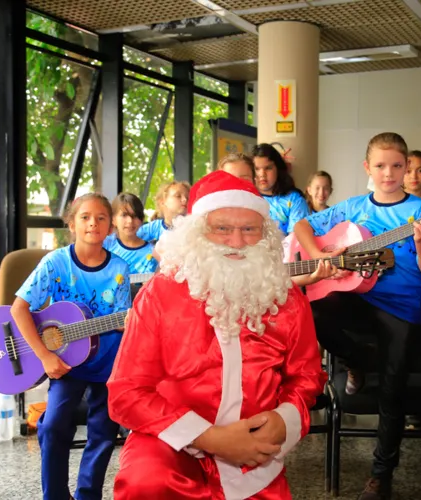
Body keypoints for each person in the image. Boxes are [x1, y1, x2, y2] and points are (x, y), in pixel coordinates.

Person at [107, 171, 327, 500]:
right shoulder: (160, 294)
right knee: (144, 483)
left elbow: (306, 376)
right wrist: (209, 437)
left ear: (265, 235)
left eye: (249, 229)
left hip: (255, 454)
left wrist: (284, 420)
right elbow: (126, 392)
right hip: (168, 444)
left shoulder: (288, 299)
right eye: (222, 228)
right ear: (197, 233)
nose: (236, 242)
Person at [293, 132, 421, 500]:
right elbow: (302, 226)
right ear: (367, 168)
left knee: (393, 391)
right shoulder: (354, 207)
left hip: (404, 307)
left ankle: (381, 475)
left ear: (407, 168)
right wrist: (321, 255)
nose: (388, 173)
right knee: (313, 308)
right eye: (380, 165)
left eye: (396, 165)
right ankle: (355, 360)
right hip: (358, 298)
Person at [11, 193, 132, 500]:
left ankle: (88, 496)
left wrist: (131, 321)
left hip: (107, 363)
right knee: (52, 427)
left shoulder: (118, 268)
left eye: (102, 218)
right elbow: (19, 309)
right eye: (85, 217)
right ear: (72, 224)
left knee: (103, 433)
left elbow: (121, 320)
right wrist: (44, 354)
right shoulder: (55, 263)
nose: (93, 223)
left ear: (110, 227)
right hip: (65, 362)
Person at [251, 143, 310, 236]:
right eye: (257, 169)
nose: (262, 174)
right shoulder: (246, 198)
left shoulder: (295, 200)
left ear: (278, 169)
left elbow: (295, 240)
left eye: (268, 168)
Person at [105, 192, 157, 275]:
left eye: (135, 216)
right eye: (124, 215)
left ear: (142, 219)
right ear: (113, 219)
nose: (130, 221)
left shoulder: (153, 252)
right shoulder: (105, 245)